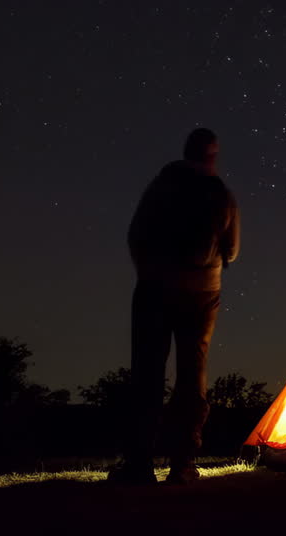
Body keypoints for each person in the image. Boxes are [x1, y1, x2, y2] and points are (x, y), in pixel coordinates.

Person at [109, 127, 240, 486]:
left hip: (155, 286)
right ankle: (183, 463)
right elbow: (232, 251)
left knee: (148, 371)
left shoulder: (163, 185)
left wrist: (149, 270)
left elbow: (136, 234)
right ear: (213, 155)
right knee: (192, 374)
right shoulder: (222, 194)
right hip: (203, 293)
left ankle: (139, 464)